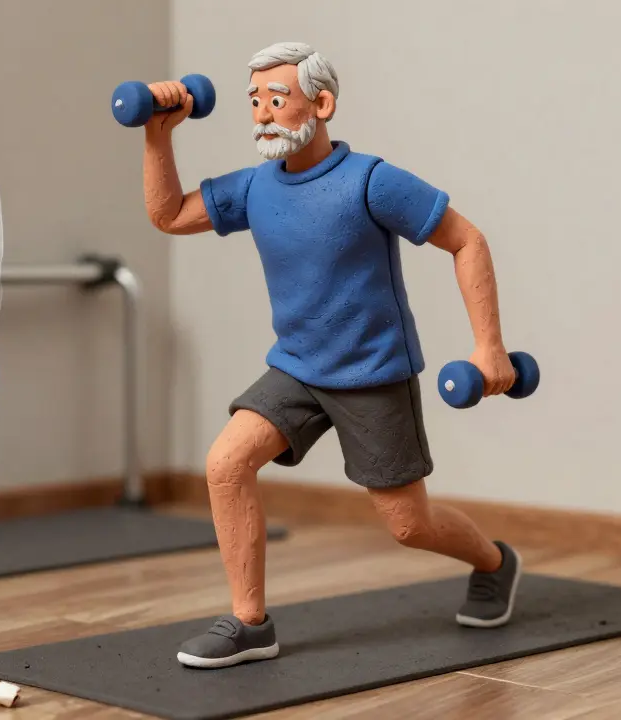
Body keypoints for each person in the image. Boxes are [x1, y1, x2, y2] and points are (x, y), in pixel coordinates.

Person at [139, 42, 523, 669]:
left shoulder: (371, 181)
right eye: (255, 102)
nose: (264, 113)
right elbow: (170, 216)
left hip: (371, 373)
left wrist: (488, 347)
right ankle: (249, 623)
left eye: (278, 99)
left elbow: (467, 240)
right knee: (226, 463)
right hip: (295, 367)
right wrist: (158, 139)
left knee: (408, 526)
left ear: (321, 103)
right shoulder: (256, 187)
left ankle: (494, 562)